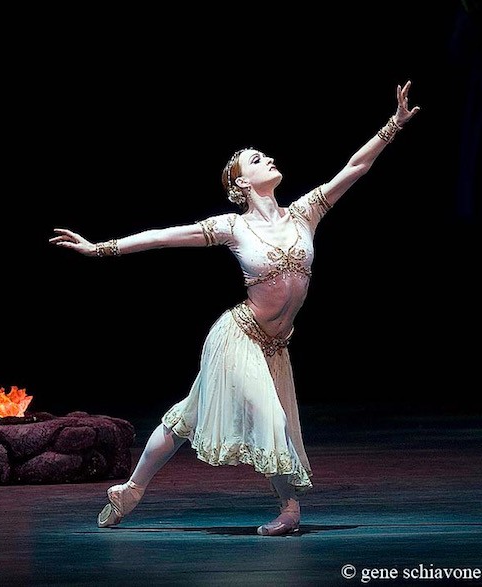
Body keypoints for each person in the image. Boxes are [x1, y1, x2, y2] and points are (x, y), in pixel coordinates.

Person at [49, 81, 420, 536]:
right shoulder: (232, 226)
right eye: (256, 159)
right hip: (238, 336)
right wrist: (101, 248)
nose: (268, 159)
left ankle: (131, 488)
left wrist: (392, 126)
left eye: (266, 155)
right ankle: (289, 510)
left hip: (274, 345)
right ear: (243, 182)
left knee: (188, 414)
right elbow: (165, 236)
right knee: (269, 415)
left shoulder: (305, 212)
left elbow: (355, 167)